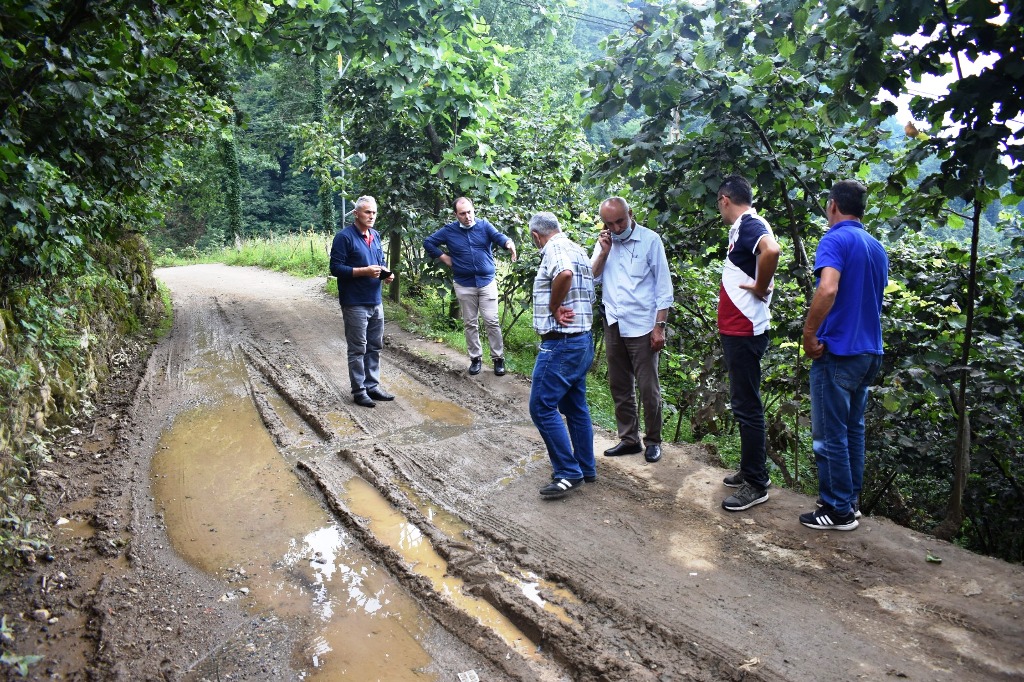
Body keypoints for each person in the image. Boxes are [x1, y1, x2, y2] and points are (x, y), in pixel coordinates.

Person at [800, 180, 888, 531]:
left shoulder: (835, 239)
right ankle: (848, 502)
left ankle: (836, 510)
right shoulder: (876, 246)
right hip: (869, 351)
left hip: (838, 350)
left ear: (833, 205)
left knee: (830, 434)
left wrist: (809, 333)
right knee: (853, 431)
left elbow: (829, 287)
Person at [715, 175, 782, 512]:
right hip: (737, 330)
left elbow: (772, 250)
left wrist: (760, 286)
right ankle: (751, 470)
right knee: (744, 403)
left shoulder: (750, 223)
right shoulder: (744, 226)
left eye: (718, 203)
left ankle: (756, 482)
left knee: (747, 406)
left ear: (725, 199)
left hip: (745, 331)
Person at [590, 197, 673, 464]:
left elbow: (663, 288)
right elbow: (592, 277)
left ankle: (653, 440)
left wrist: (659, 327)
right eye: (609, 223)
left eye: (620, 221)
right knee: (619, 385)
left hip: (643, 326)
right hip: (614, 322)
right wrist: (603, 252)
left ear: (631, 214)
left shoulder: (650, 240)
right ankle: (629, 439)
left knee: (648, 388)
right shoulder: (605, 242)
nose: (615, 228)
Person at [527, 212, 598, 500]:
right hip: (582, 340)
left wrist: (554, 306)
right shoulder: (577, 248)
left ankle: (568, 472)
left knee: (541, 407)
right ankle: (585, 466)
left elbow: (564, 273)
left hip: (561, 344)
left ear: (536, 236)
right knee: (575, 405)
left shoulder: (554, 249)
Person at [424, 198, 517, 376]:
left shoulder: (484, 226)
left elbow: (499, 237)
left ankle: (498, 359)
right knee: (470, 323)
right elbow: (428, 242)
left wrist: (509, 244)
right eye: (462, 214)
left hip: (487, 282)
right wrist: (444, 258)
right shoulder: (449, 231)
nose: (467, 216)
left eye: (470, 212)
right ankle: (475, 359)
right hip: (464, 284)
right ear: (456, 215)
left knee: (491, 321)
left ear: (474, 210)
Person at [329, 196, 396, 408]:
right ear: (356, 213)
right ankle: (359, 391)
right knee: (358, 348)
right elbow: (336, 268)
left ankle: (372, 386)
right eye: (368, 212)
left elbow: (380, 261)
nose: (372, 216)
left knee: (375, 346)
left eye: (374, 213)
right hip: (354, 302)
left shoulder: (375, 235)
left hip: (375, 300)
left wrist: (385, 274)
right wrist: (363, 271)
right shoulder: (344, 237)